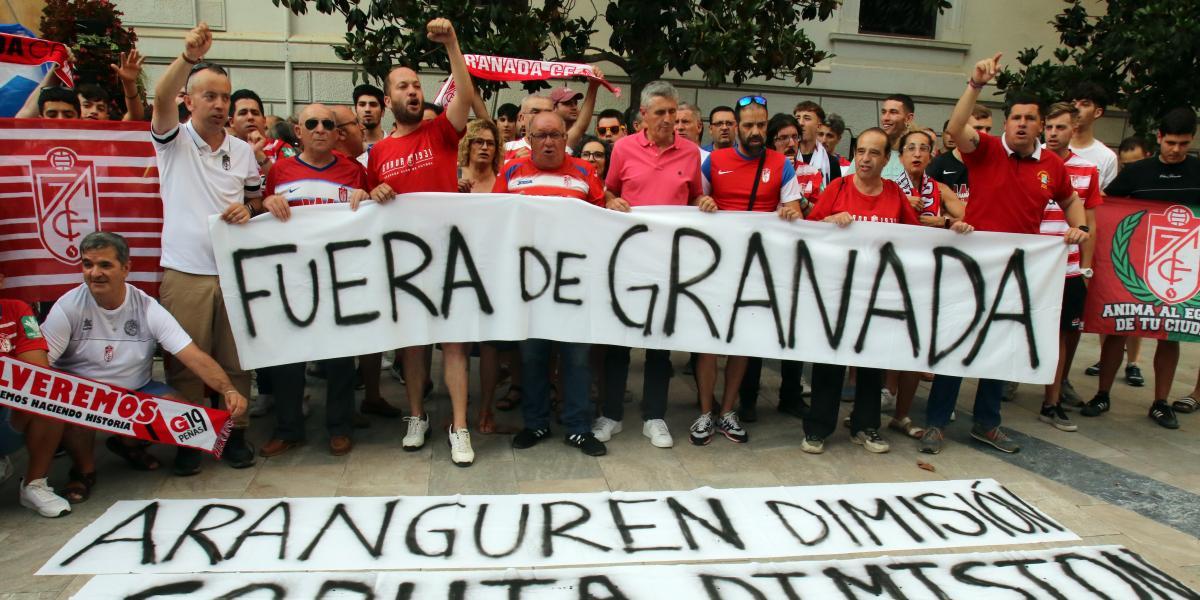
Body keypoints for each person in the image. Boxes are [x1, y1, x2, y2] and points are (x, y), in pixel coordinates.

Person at [919, 52, 1087, 455]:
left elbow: (1070, 200)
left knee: (1001, 347)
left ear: (1040, 124)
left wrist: (1079, 227)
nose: (1024, 124)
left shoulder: (1052, 165)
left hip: (1019, 272)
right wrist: (975, 84)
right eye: (1017, 117)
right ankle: (937, 423)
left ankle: (987, 422)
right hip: (974, 266)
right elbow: (957, 127)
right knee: (958, 342)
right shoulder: (986, 150)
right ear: (1007, 121)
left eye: (1031, 118)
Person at [43, 233, 248, 499]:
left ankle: (129, 444)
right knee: (72, 407)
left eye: (105, 265)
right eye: (87, 265)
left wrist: (228, 389)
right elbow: (41, 363)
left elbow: (192, 355)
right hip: (84, 395)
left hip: (136, 391)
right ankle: (83, 471)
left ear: (126, 268)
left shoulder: (147, 307)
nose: (95, 273)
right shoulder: (68, 306)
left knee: (186, 414)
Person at [149, 22, 261, 475]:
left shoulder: (243, 151)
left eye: (224, 97)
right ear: (188, 100)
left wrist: (249, 210)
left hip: (235, 273)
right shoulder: (172, 141)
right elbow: (158, 99)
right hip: (186, 272)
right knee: (186, 364)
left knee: (237, 362)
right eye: (209, 96)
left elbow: (255, 199)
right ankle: (191, 440)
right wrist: (188, 57)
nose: (219, 105)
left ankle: (235, 434)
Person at [366, 18, 477, 465]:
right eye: (403, 87)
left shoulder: (441, 132)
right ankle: (417, 416)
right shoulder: (377, 152)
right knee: (412, 345)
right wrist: (373, 192)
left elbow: (465, 97)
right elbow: (371, 202)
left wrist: (452, 44)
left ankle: (460, 425)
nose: (412, 91)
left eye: (417, 84)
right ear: (389, 99)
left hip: (448, 260)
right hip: (404, 266)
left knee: (453, 346)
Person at [799, 128, 937, 455]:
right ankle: (818, 428)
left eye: (874, 153)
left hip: (879, 296)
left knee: (872, 365)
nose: (865, 158)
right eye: (861, 151)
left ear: (886, 159)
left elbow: (914, 239)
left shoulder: (893, 194)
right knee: (829, 363)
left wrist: (950, 229)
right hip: (837, 293)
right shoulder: (838, 188)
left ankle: (865, 426)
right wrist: (831, 219)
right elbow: (810, 233)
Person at [257, 104, 375, 456]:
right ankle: (289, 427)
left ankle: (340, 426)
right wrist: (267, 202)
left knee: (339, 357)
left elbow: (372, 216)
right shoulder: (280, 171)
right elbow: (260, 213)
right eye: (313, 123)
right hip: (291, 280)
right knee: (288, 358)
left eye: (329, 123)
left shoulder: (354, 171)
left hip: (338, 279)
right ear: (299, 131)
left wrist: (365, 198)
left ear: (338, 132)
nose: (321, 128)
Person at [599, 81, 709, 449]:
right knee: (619, 341)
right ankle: (610, 414)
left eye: (672, 112)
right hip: (629, 260)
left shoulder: (691, 153)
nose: (667, 119)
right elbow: (609, 189)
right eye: (659, 112)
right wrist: (612, 200)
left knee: (661, 344)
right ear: (642, 116)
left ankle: (655, 416)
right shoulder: (623, 149)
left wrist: (704, 202)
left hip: (670, 264)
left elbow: (695, 196)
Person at [692, 95, 806, 446]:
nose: (756, 131)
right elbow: (695, 201)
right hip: (716, 267)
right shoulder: (714, 162)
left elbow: (794, 208)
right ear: (736, 127)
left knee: (742, 341)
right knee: (709, 343)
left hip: (758, 268)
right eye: (749, 125)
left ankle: (728, 410)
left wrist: (792, 212)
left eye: (761, 125)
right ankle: (705, 412)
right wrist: (703, 202)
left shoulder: (781, 164)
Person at [495, 111, 607, 456]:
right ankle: (536, 422)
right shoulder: (512, 171)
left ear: (565, 138)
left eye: (555, 135)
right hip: (529, 285)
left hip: (575, 285)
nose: (548, 142)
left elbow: (603, 221)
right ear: (528, 139)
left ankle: (577, 426)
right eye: (540, 136)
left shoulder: (585, 173)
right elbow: (495, 218)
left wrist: (614, 204)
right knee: (533, 356)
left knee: (576, 358)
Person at [1088, 107, 1200, 429]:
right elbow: (1105, 210)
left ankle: (1160, 402)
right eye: (1171, 143)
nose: (1177, 150)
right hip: (1134, 267)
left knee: (1171, 334)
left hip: (1182, 273)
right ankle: (1102, 394)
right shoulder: (1137, 173)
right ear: (1159, 138)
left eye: (1184, 143)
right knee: (1117, 330)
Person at [887, 128, 966, 439]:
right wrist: (901, 205)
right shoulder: (890, 187)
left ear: (931, 155)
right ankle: (882, 396)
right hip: (894, 275)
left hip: (928, 277)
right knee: (888, 342)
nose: (917, 154)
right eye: (911, 148)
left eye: (923, 149)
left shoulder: (939, 188)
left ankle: (902, 413)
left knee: (915, 347)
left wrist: (943, 221)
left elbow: (968, 216)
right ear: (901, 155)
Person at [1035, 102, 1102, 432]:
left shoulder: (1087, 170)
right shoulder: (1029, 163)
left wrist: (1087, 269)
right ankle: (1004, 387)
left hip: (1068, 268)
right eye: (1049, 126)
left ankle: (1052, 401)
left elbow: (1090, 222)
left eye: (1061, 127)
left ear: (1073, 130)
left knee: (1061, 335)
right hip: (1031, 266)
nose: (1053, 133)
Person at [0, 273, 70, 517]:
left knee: (49, 393)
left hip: (10, 412)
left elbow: (36, 369)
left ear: (1, 280)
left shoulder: (18, 310)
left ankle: (34, 484)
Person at [928, 104, 993, 204]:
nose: (984, 134)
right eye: (978, 128)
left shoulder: (993, 163)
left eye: (987, 129)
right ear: (961, 130)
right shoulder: (939, 164)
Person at [848, 94, 915, 181]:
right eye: (884, 112)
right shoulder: (868, 148)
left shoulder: (918, 154)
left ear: (908, 118)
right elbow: (847, 184)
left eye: (893, 112)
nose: (885, 118)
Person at [229, 89, 295, 174]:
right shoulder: (223, 150)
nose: (250, 117)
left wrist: (259, 155)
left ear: (264, 121)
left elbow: (290, 183)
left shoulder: (281, 148)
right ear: (231, 122)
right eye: (243, 113)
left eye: (255, 113)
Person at [1070, 82, 1119, 189]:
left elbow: (1107, 200)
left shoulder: (1107, 157)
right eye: (1074, 103)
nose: (1076, 108)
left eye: (1085, 104)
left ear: (1097, 112)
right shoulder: (1046, 149)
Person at [354, 83, 387, 148]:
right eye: (362, 104)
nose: (367, 109)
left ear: (382, 111)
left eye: (373, 105)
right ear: (356, 110)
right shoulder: (347, 149)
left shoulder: (396, 146)